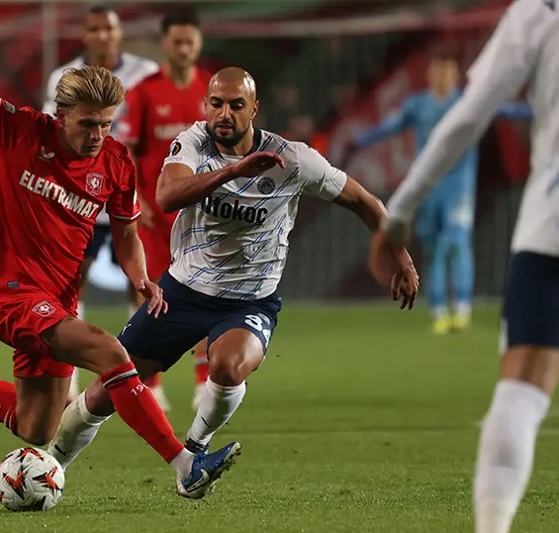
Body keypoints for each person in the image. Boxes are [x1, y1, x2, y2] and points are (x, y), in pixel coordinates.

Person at [0, 0, 243, 500]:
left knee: (35, 431)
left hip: (62, 299)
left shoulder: (116, 161)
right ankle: (184, 464)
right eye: (88, 124)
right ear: (61, 115)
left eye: (106, 123)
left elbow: (126, 233)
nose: (98, 135)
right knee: (112, 354)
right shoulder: (18, 131)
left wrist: (139, 275)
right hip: (15, 295)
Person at [48, 67, 420, 470]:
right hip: (181, 292)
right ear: (206, 106)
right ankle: (50, 465)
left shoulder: (292, 159)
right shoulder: (193, 142)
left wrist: (401, 255)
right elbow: (168, 195)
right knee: (108, 388)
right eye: (217, 104)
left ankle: (194, 449)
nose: (225, 113)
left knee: (227, 365)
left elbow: (363, 201)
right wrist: (231, 172)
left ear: (254, 109)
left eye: (236, 105)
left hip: (250, 301)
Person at [368, 0, 559, 533]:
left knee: (522, 388)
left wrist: (397, 213)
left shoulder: (539, 12)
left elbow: (470, 116)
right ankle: (445, 310)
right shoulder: (418, 103)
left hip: (550, 228)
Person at [349, 52, 532, 334]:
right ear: (431, 75)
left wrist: (538, 109)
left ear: (455, 76)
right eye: (438, 72)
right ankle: (438, 313)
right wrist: (360, 141)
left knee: (456, 243)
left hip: (459, 188)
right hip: (428, 190)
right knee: (434, 250)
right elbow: (389, 126)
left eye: (447, 72)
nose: (442, 78)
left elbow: (501, 109)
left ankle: (461, 311)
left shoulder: (466, 102)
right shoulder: (418, 105)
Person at [42, 6, 163, 404]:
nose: (103, 36)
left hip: (131, 195)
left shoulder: (145, 74)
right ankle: (69, 380)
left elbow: (149, 143)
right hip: (81, 200)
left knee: (141, 285)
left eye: (109, 28)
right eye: (94, 29)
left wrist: (145, 189)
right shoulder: (62, 78)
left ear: (118, 33)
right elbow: (52, 137)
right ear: (85, 34)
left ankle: (145, 384)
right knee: (71, 284)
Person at [115, 6, 214, 411]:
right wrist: (138, 197)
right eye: (177, 41)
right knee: (150, 295)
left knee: (209, 296)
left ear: (199, 43)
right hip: (158, 219)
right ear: (164, 44)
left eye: (190, 40)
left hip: (205, 218)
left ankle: (204, 381)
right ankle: (149, 382)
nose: (184, 47)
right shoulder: (145, 93)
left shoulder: (212, 92)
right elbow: (126, 151)